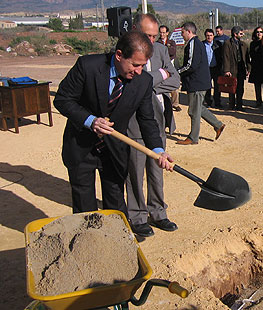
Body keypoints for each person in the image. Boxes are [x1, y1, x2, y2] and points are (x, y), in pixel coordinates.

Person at [53, 31, 174, 217]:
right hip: (80, 146)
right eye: (135, 64)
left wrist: (158, 150)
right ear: (119, 55)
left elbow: (147, 120)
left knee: (116, 203)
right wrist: (90, 120)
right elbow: (63, 99)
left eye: (143, 65)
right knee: (84, 207)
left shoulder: (143, 81)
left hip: (114, 151)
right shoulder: (88, 66)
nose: (139, 71)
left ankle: (117, 242)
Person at [126, 14, 180, 237]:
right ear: (135, 30)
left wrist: (148, 83)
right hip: (134, 123)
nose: (151, 40)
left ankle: (158, 212)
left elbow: (175, 80)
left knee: (157, 168)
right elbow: (131, 83)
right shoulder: (128, 48)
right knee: (135, 172)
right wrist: (160, 75)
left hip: (157, 119)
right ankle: (137, 216)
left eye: (154, 36)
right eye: (147, 35)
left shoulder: (159, 50)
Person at [176, 22, 226, 145]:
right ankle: (218, 125)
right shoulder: (198, 43)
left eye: (182, 32)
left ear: (188, 31)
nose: (181, 35)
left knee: (193, 110)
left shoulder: (193, 43)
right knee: (199, 108)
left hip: (196, 82)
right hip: (199, 82)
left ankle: (193, 137)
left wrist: (177, 72)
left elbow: (191, 65)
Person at [222, 26, 251, 111]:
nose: (243, 35)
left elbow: (247, 57)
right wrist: (226, 70)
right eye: (241, 33)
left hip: (241, 69)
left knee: (240, 88)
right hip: (232, 69)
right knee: (232, 88)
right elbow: (225, 57)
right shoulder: (227, 43)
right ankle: (231, 105)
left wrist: (248, 69)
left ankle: (239, 105)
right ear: (235, 34)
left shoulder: (243, 44)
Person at [158, 25, 182, 112]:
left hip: (171, 66)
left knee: (174, 86)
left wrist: (164, 50)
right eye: (160, 32)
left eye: (164, 32)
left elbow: (172, 52)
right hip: (161, 67)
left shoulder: (172, 42)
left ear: (167, 33)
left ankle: (175, 103)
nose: (162, 34)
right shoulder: (157, 42)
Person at [203, 28, 223, 108]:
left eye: (211, 35)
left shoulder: (218, 44)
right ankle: (208, 102)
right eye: (207, 35)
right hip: (206, 69)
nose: (209, 37)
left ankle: (217, 102)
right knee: (207, 86)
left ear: (213, 36)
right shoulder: (202, 45)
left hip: (216, 68)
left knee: (217, 87)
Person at [249, 27, 263, 107]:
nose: (259, 33)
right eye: (257, 32)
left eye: (261, 32)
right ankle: (258, 101)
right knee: (257, 85)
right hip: (256, 66)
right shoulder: (252, 43)